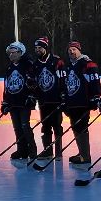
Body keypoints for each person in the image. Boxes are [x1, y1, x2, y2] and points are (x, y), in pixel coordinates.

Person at [61, 42, 101, 166]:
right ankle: (81, 153)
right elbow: (66, 84)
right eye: (69, 50)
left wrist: (95, 97)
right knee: (75, 127)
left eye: (74, 49)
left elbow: (95, 82)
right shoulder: (69, 65)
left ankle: (85, 156)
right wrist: (65, 100)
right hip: (72, 102)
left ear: (79, 50)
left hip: (83, 103)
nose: (71, 52)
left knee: (82, 127)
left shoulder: (87, 64)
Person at [29, 37, 65, 165]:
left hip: (56, 100)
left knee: (57, 125)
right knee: (45, 125)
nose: (37, 50)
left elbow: (62, 79)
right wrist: (33, 95)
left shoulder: (56, 61)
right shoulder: (35, 64)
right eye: (36, 48)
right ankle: (48, 151)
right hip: (43, 101)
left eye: (40, 47)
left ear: (45, 48)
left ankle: (58, 151)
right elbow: (33, 82)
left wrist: (63, 94)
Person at [1, 41, 36, 164]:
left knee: (25, 126)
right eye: (9, 53)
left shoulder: (28, 65)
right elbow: (7, 86)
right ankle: (22, 150)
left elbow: (33, 82)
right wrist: (5, 102)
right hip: (13, 102)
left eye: (13, 52)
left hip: (24, 102)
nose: (11, 55)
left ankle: (32, 150)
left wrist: (31, 96)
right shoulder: (9, 68)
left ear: (20, 52)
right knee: (17, 127)